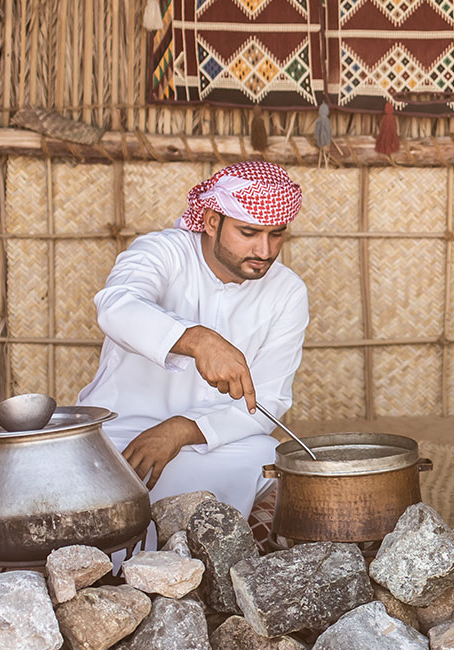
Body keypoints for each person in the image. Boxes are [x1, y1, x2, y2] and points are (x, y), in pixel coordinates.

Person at [76, 161, 309, 519]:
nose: (264, 251)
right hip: (121, 433)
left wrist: (182, 430)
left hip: (207, 442)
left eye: (276, 234)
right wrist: (196, 340)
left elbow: (268, 402)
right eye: (248, 232)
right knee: (91, 472)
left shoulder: (287, 291)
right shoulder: (162, 252)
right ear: (213, 222)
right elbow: (116, 306)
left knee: (266, 454)